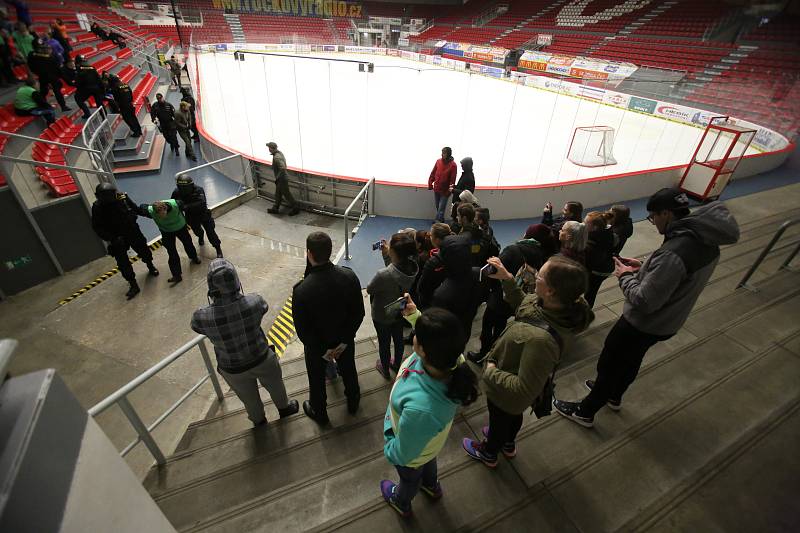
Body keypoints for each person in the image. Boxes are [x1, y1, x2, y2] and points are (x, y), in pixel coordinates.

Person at [554, 188, 740, 427]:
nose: (653, 223)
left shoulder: (676, 251)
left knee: (611, 362)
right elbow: (677, 274)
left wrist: (625, 276)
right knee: (632, 360)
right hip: (668, 321)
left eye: (653, 217)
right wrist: (644, 266)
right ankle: (613, 394)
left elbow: (644, 299)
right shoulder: (705, 240)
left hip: (643, 322)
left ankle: (585, 411)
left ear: (666, 213)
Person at [463, 255, 593, 467]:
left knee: (499, 418)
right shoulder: (554, 307)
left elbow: (523, 389)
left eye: (539, 276)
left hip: (506, 391)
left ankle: (489, 451)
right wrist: (506, 278)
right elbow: (525, 309)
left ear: (550, 291)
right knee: (511, 418)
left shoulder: (541, 341)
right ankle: (508, 442)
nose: (535, 275)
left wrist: (490, 371)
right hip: (514, 389)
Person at [381, 303, 479, 517]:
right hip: (429, 446)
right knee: (428, 463)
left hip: (411, 454)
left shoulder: (421, 409)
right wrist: (416, 315)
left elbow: (405, 454)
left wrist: (390, 445)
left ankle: (401, 501)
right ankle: (431, 485)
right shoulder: (452, 360)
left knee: (409, 478)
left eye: (417, 334)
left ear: (423, 349)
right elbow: (439, 340)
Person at [191, 258, 299, 427]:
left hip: (232, 368)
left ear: (211, 288)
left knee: (248, 398)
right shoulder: (254, 302)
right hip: (262, 358)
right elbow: (264, 307)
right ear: (237, 282)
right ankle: (285, 408)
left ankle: (259, 421)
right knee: (276, 385)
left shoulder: (202, 316)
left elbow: (196, 327)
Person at [292, 232, 364, 424]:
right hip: (345, 342)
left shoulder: (301, 290)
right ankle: (353, 402)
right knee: (349, 370)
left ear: (309, 253)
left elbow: (303, 331)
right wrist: (343, 340)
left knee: (316, 380)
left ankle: (320, 412)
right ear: (330, 251)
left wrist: (324, 350)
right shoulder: (349, 276)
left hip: (317, 349)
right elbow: (358, 314)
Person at [467, 230, 548, 365]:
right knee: (501, 326)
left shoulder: (512, 250)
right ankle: (497, 353)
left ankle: (483, 354)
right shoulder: (538, 251)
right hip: (518, 297)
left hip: (499, 297)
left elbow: (494, 272)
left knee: (488, 325)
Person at [91, 182, 159, 299]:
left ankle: (150, 265)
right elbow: (97, 227)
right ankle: (133, 284)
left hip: (132, 231)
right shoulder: (97, 207)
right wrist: (112, 238)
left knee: (144, 250)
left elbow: (135, 208)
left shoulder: (122, 199)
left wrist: (150, 212)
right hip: (116, 237)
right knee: (123, 263)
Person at [367, 232, 418, 379]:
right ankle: (396, 365)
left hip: (382, 314)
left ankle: (385, 369)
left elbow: (370, 289)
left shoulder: (382, 274)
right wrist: (386, 256)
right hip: (399, 310)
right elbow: (396, 273)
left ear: (394, 252)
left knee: (384, 343)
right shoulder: (413, 267)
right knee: (398, 339)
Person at [138, 199, 201, 284]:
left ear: (166, 209)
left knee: (188, 243)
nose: (162, 217)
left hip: (180, 228)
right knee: (171, 252)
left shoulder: (176, 204)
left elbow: (187, 207)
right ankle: (177, 275)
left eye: (163, 214)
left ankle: (194, 257)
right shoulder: (151, 211)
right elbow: (140, 207)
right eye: (159, 215)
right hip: (166, 231)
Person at [171, 174, 223, 258]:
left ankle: (218, 249)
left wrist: (186, 207)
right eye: (182, 187)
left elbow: (201, 203)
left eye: (186, 187)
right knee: (197, 232)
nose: (184, 189)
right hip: (191, 217)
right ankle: (201, 236)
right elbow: (173, 203)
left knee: (211, 233)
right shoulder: (176, 192)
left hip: (203, 215)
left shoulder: (198, 190)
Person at [416, 222, 452, 309]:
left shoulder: (432, 262)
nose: (429, 237)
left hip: (431, 299)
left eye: (431, 235)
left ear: (437, 240)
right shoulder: (454, 252)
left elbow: (421, 287)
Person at [583, 211, 615, 307]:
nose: (582, 224)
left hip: (599, 270)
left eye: (585, 223)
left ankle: (587, 312)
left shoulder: (593, 243)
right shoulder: (606, 232)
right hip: (607, 265)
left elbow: (590, 262)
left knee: (590, 292)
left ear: (594, 227)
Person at [27, 42, 69, 111]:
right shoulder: (48, 57)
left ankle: (62, 106)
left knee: (50, 91)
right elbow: (59, 70)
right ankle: (61, 106)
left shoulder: (35, 55)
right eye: (47, 49)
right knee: (47, 91)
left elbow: (31, 64)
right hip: (48, 77)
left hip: (46, 77)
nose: (49, 50)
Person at [266, 141, 299, 216]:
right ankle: (275, 208)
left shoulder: (277, 157)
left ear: (271, 148)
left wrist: (277, 177)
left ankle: (296, 207)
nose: (268, 149)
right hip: (281, 178)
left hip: (282, 179)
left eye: (269, 147)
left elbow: (283, 168)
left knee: (287, 194)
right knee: (278, 194)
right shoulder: (279, 153)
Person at [428, 146, 457, 223]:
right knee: (438, 206)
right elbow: (433, 173)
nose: (442, 154)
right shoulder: (438, 161)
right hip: (437, 188)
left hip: (445, 191)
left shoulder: (453, 165)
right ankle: (441, 219)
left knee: (441, 208)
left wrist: (449, 191)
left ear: (448, 154)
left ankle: (438, 222)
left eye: (444, 153)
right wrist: (430, 183)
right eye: (442, 152)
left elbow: (452, 179)